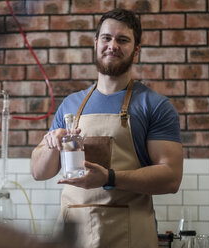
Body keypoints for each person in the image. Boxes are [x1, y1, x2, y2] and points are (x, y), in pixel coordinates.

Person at [30, 8, 183, 248]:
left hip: (129, 238)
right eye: (106, 38)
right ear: (95, 43)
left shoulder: (154, 105)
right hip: (74, 239)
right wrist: (51, 144)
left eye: (122, 40)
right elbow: (39, 172)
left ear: (136, 50)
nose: (113, 45)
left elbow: (171, 179)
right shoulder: (71, 105)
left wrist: (109, 177)